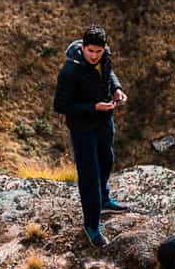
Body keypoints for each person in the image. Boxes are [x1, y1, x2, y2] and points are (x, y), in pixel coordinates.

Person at [53, 25, 127, 246]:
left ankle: (104, 199)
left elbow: (108, 73)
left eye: (99, 51)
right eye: (91, 51)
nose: (95, 56)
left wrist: (116, 89)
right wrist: (94, 107)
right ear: (83, 47)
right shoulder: (70, 71)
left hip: (105, 122)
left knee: (107, 161)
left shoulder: (105, 56)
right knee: (89, 177)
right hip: (83, 129)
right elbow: (61, 105)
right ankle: (92, 225)